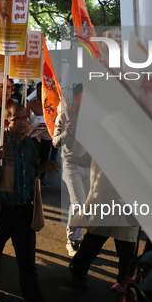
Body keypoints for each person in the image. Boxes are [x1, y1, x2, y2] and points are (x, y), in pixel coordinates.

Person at [0, 102, 57, 302]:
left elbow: (33, 171)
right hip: (2, 212)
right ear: (8, 121)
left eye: (26, 118)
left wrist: (45, 167)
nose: (24, 123)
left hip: (25, 212)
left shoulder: (31, 145)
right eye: (19, 118)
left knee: (27, 263)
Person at [69, 160, 138, 291]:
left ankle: (124, 287)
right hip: (107, 193)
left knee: (127, 246)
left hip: (131, 200)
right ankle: (77, 269)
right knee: (96, 236)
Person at [53, 83, 91, 257]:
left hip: (90, 167)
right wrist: (67, 133)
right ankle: (73, 239)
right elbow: (55, 142)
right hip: (71, 166)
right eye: (83, 98)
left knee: (87, 205)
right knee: (79, 204)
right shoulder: (64, 116)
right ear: (75, 97)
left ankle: (78, 236)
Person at [28, 82, 56, 186]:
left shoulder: (51, 103)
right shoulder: (31, 103)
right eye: (38, 90)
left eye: (42, 90)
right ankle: (33, 176)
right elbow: (26, 118)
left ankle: (42, 178)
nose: (40, 93)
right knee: (34, 157)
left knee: (45, 157)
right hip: (34, 136)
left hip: (47, 136)